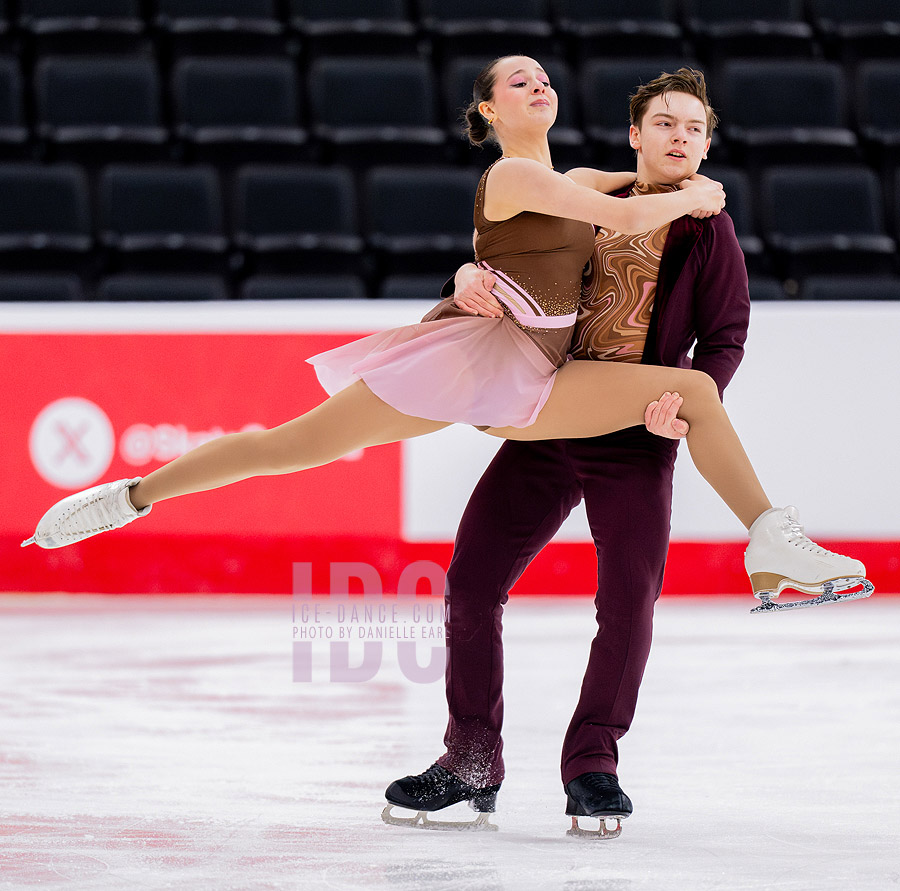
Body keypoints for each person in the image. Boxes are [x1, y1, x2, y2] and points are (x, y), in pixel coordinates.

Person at [22, 58, 865, 747]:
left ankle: (768, 544)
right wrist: (696, 196)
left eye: (542, 79)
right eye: (516, 83)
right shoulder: (517, 172)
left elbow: (602, 206)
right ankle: (127, 497)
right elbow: (605, 212)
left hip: (547, 376)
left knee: (684, 393)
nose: (536, 86)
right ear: (489, 109)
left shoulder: (580, 172)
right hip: (485, 365)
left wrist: (476, 269)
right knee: (290, 444)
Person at [381, 66, 872, 837]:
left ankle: (594, 763)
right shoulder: (584, 199)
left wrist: (688, 397)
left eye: (694, 128)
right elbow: (514, 252)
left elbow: (728, 334)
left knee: (627, 601)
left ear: (707, 145)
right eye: (665, 124)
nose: (681, 137)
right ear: (636, 136)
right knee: (472, 579)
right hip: (549, 415)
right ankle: (470, 759)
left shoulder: (709, 228)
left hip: (636, 436)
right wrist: (469, 271)